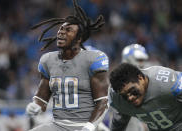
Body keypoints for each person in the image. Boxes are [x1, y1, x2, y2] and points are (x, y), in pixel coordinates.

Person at [26, 0, 109, 131]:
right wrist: (36, 104)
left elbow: (103, 102)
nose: (61, 32)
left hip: (84, 125)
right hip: (57, 125)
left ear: (79, 38)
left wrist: (89, 126)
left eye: (68, 30)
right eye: (61, 29)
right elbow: (42, 98)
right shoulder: (48, 60)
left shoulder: (93, 59)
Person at [109, 63, 182, 131]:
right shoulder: (117, 98)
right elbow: (119, 122)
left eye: (132, 90)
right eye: (124, 95)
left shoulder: (167, 83)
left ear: (140, 78)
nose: (130, 98)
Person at [109, 44, 149, 131]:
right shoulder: (118, 83)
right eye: (139, 60)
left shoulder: (143, 79)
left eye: (143, 60)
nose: (142, 64)